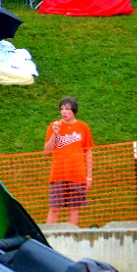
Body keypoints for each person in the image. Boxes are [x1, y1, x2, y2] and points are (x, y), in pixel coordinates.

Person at [44, 96, 94, 226]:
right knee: (55, 208)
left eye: (67, 109)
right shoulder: (54, 126)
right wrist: (55, 134)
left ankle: (73, 238)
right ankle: (49, 238)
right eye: (62, 109)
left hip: (77, 175)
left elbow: (87, 152)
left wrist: (89, 176)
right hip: (58, 174)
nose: (64, 112)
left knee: (73, 208)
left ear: (74, 111)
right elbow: (47, 152)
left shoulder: (83, 127)